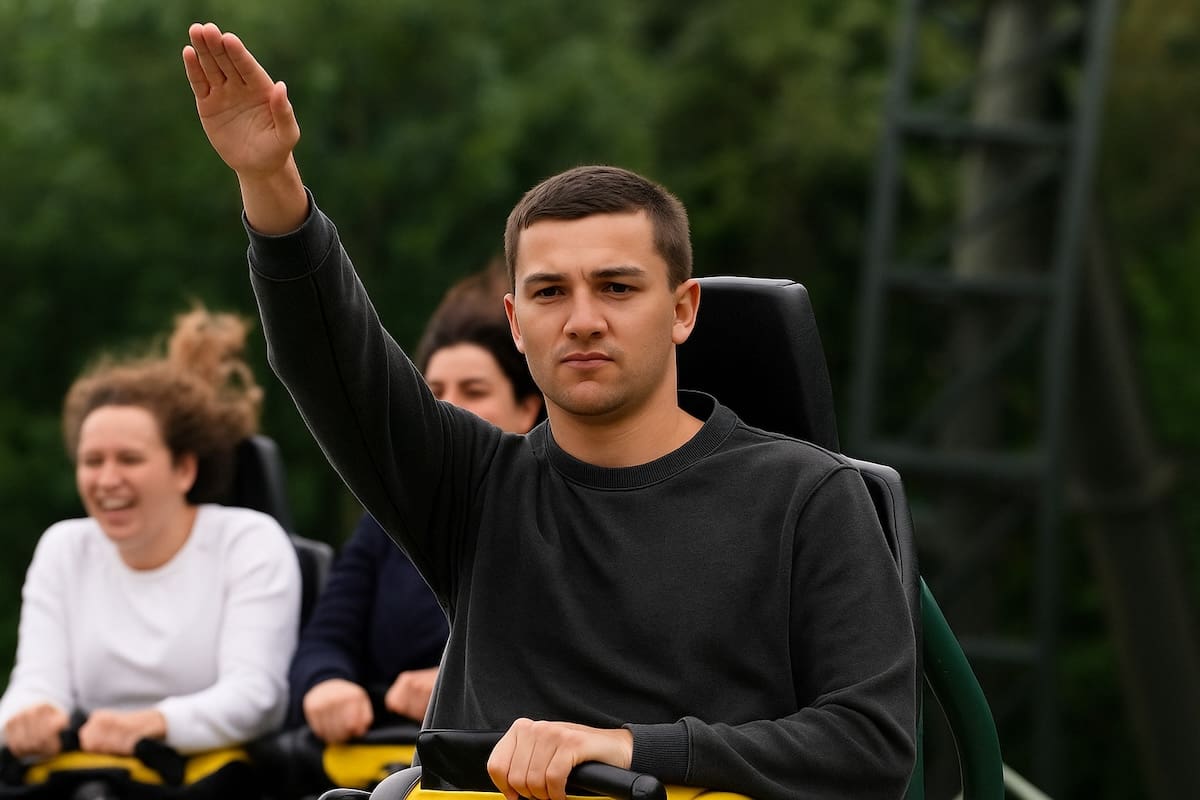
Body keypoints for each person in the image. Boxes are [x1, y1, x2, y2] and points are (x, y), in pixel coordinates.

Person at [183, 23, 917, 800]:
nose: (583, 319)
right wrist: (270, 180)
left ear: (682, 309)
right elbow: (330, 362)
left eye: (617, 287)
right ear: (514, 320)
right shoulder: (471, 485)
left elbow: (870, 743)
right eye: (549, 292)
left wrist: (632, 750)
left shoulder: (808, 497)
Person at [0, 307, 302, 761]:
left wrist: (156, 723)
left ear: (183, 469)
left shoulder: (247, 542)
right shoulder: (64, 548)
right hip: (92, 779)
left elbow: (257, 696)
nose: (106, 480)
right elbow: (36, 684)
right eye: (92, 461)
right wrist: (29, 717)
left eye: (129, 459)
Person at [289, 260, 542, 744]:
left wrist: (454, 685)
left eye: (474, 391)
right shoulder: (384, 522)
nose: (447, 408)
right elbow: (324, 641)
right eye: (434, 393)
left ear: (527, 407)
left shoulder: (551, 510)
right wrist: (328, 685)